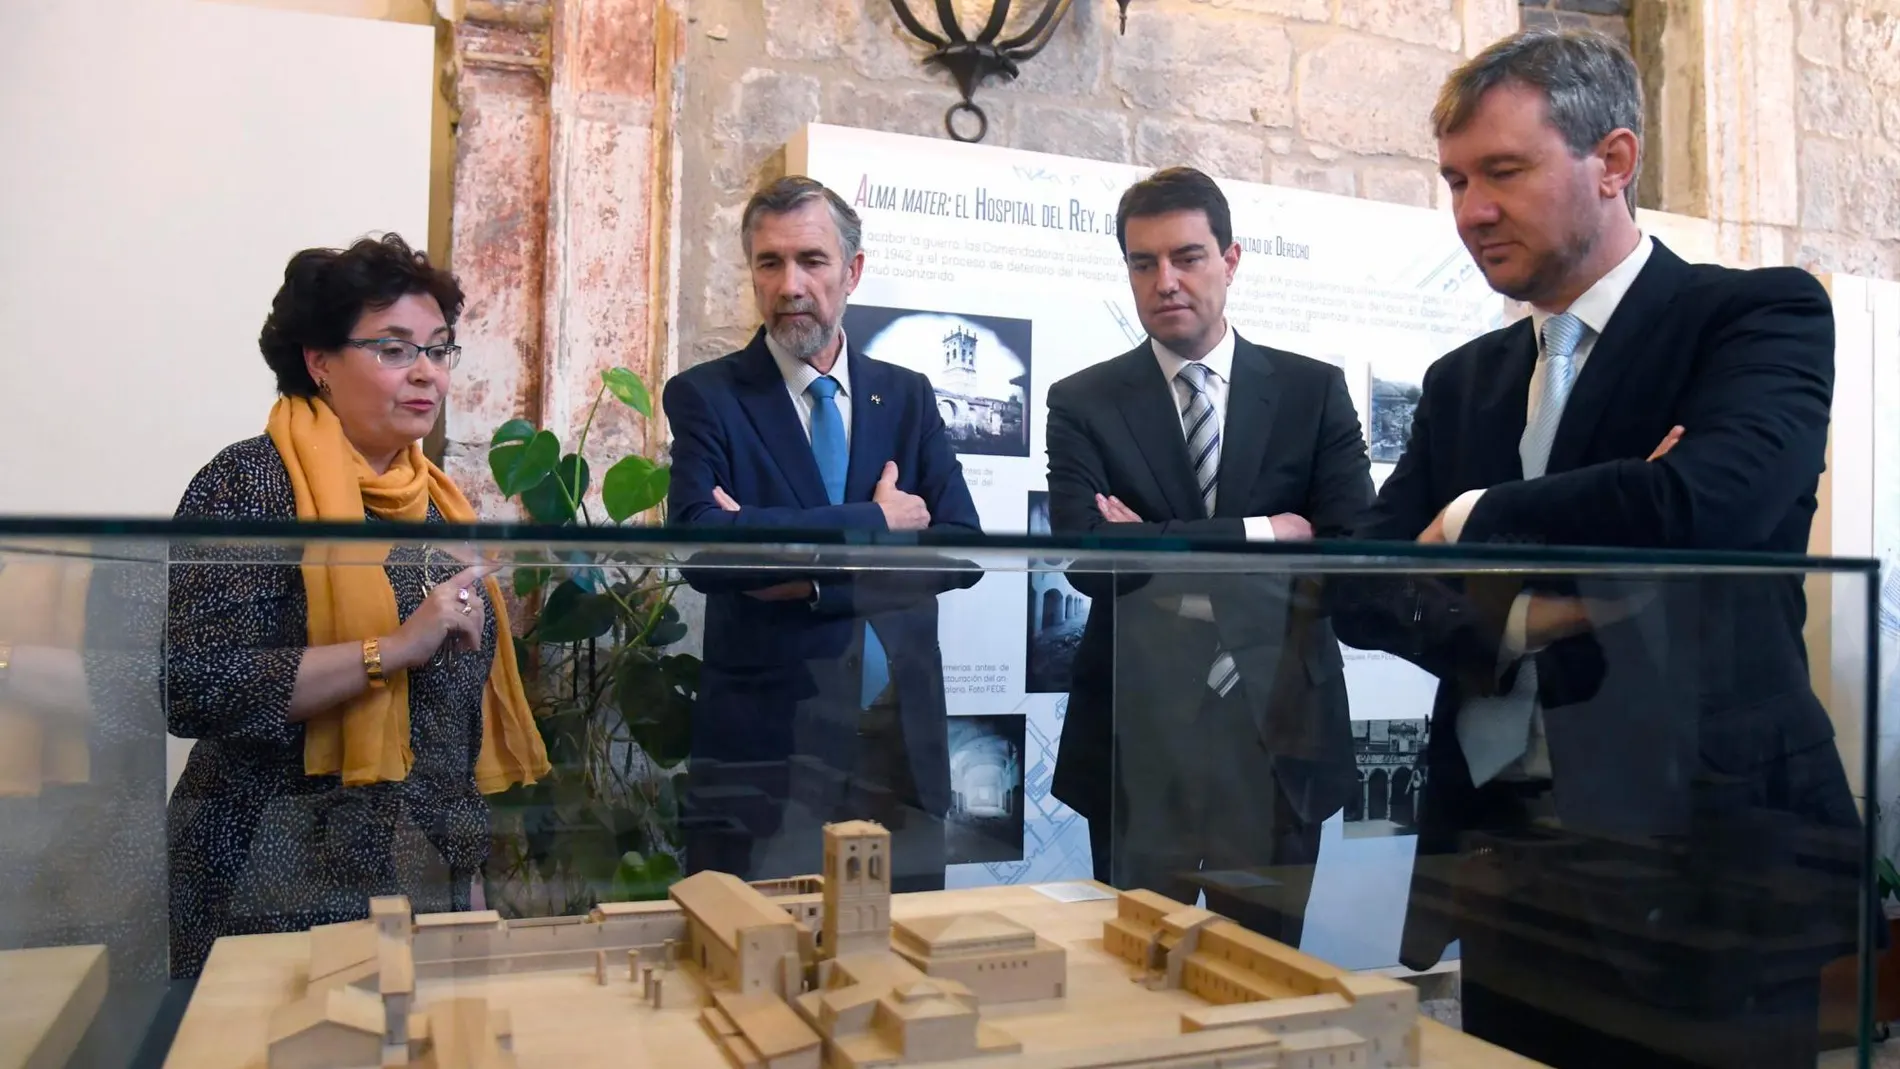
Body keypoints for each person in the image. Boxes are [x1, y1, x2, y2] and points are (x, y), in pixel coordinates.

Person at [1333, 28, 1860, 1069]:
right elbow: (1361, 582)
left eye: (1502, 172)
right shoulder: (1463, 381)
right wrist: (1532, 614)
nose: (1470, 210)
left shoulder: (1754, 317)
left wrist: (1474, 518)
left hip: (1706, 862)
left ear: (1612, 162)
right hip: (1501, 860)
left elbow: (1703, 507)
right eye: (1452, 179)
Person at [164, 234, 551, 978]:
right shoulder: (250, 484)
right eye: (395, 349)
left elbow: (450, 722)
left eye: (439, 351)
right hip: (265, 869)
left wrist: (465, 867)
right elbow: (196, 684)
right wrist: (395, 648)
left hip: (410, 872)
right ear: (319, 361)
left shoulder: (439, 508)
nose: (426, 374)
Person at [1044, 166, 1373, 948]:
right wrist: (1264, 535)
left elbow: (1352, 555)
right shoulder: (1082, 401)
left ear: (1232, 258)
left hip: (1277, 738)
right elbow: (1087, 557)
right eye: (1142, 262)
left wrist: (1152, 547)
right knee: (1132, 980)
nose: (1165, 281)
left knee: (1261, 978)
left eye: (1188, 256)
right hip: (1136, 739)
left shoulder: (1310, 392)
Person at [662, 176, 981, 893]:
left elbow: (961, 550)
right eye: (769, 263)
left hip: (898, 741)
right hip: (768, 754)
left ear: (853, 271)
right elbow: (705, 549)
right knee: (756, 965)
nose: (790, 284)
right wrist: (876, 522)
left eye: (812, 260)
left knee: (899, 972)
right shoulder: (707, 396)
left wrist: (808, 583)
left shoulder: (906, 395)